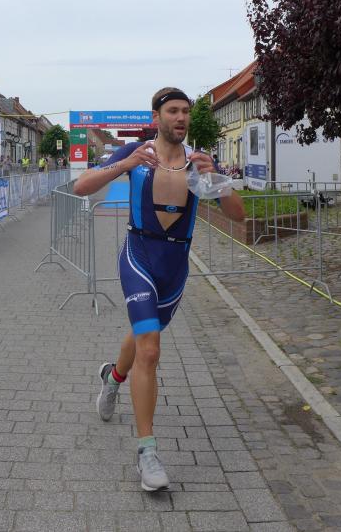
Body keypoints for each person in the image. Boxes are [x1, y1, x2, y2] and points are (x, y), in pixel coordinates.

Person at [73, 87, 244, 491]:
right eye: (173, 111)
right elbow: (82, 186)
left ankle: (113, 377)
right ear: (156, 117)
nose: (181, 117)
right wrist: (125, 163)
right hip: (139, 257)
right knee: (150, 348)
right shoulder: (138, 154)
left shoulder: (198, 161)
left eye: (185, 111)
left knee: (142, 334)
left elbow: (238, 216)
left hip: (175, 266)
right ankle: (147, 454)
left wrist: (217, 181)